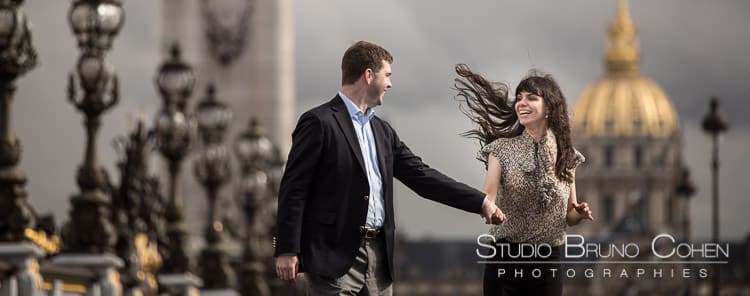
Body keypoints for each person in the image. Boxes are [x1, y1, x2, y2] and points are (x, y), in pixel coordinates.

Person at [274, 41, 503, 296]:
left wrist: (480, 202)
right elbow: (294, 188)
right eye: (388, 75)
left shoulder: (383, 132)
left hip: (379, 260)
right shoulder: (319, 122)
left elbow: (422, 177)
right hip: (333, 257)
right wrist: (287, 248)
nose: (391, 84)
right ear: (368, 75)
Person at [454, 64, 594, 296]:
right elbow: (488, 194)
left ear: (549, 108)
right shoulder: (500, 150)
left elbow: (569, 216)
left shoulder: (567, 155)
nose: (521, 103)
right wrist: (488, 208)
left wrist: (578, 214)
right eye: (519, 98)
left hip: (548, 261)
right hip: (506, 260)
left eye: (531, 98)